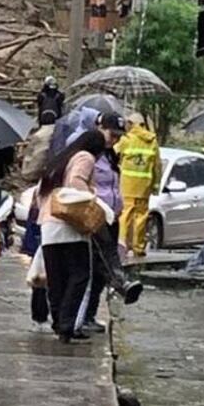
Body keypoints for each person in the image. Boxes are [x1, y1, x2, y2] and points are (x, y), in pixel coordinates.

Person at [37, 128, 106, 344]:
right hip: (70, 226)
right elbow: (76, 181)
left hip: (48, 225)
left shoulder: (58, 160)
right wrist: (91, 200)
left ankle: (59, 322)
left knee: (56, 279)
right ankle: (67, 324)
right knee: (79, 275)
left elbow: (40, 193)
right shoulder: (85, 157)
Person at [84, 112, 136, 330]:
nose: (114, 140)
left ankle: (91, 313)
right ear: (99, 129)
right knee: (97, 264)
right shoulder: (88, 154)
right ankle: (119, 281)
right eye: (111, 135)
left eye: (118, 137)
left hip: (112, 217)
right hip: (95, 216)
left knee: (101, 269)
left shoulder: (110, 155)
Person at [117, 113, 161, 257]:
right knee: (141, 217)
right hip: (144, 186)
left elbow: (113, 153)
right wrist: (156, 185)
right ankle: (138, 247)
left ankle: (122, 245)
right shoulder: (152, 141)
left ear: (131, 124)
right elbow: (157, 166)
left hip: (127, 185)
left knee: (125, 216)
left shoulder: (126, 139)